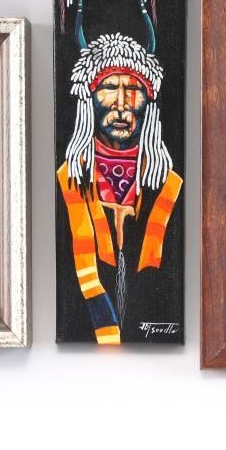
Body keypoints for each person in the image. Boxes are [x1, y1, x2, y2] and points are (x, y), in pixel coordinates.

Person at [56, 28, 183, 345]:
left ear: (149, 104)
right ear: (88, 99)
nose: (122, 104)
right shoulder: (68, 181)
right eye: (110, 87)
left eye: (134, 89)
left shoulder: (168, 187)